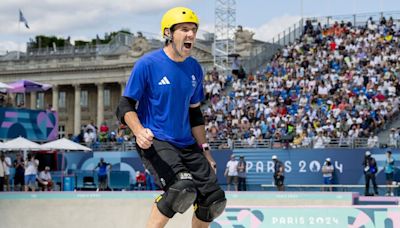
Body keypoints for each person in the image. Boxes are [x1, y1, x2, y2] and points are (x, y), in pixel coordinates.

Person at [116, 7, 226, 228]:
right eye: (184, 29)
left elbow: (195, 113)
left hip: (186, 143)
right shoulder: (148, 65)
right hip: (157, 140)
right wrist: (138, 131)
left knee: (213, 201)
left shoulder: (195, 68)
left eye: (194, 30)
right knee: (181, 190)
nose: (191, 35)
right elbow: (124, 105)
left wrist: (205, 150)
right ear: (168, 33)